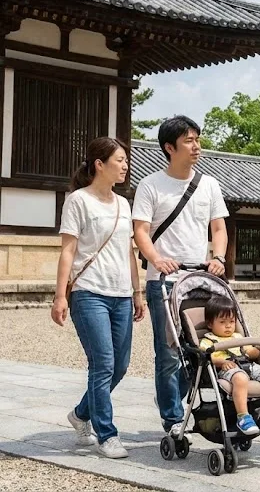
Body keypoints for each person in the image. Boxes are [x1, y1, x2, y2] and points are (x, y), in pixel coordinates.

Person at [132, 116, 229, 438]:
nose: (196, 146)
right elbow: (141, 231)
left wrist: (218, 257)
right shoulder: (151, 185)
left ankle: (178, 400)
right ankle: (172, 416)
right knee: (169, 351)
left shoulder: (210, 184)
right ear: (169, 148)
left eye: (198, 139)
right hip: (164, 280)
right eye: (189, 141)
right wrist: (157, 259)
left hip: (200, 279)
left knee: (201, 347)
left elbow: (218, 228)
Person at [52, 137, 144, 459]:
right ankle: (107, 434)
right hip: (89, 292)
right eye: (120, 160)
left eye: (125, 160)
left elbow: (130, 253)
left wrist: (137, 291)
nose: (125, 165)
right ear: (99, 165)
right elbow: (68, 250)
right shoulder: (78, 201)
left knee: (119, 366)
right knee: (102, 363)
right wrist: (60, 296)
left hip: (121, 294)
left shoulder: (124, 204)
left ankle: (80, 414)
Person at [199, 296, 260, 435]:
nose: (228, 325)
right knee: (241, 378)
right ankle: (243, 417)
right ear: (210, 324)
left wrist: (258, 349)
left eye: (232, 321)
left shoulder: (238, 337)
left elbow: (249, 352)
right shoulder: (208, 340)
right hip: (228, 369)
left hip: (248, 366)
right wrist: (222, 362)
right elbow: (207, 357)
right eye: (222, 322)